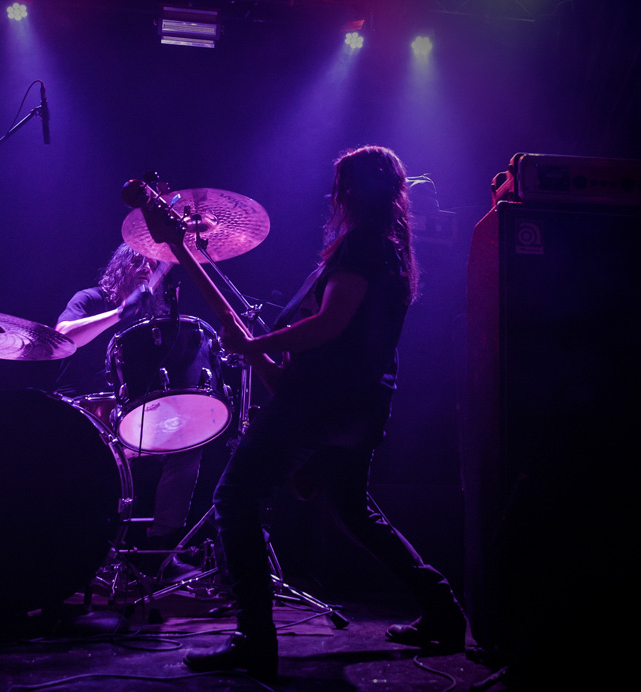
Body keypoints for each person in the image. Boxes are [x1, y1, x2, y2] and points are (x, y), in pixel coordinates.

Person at [178, 146, 466, 679]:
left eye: (339, 185)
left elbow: (330, 325)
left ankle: (254, 639)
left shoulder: (360, 247)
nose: (333, 195)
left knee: (234, 496)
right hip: (364, 402)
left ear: (350, 191)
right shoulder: (393, 251)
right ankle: (444, 609)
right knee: (354, 509)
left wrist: (255, 343)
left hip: (322, 401)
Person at [55, 243, 203, 578]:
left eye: (152, 264)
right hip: (85, 414)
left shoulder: (156, 320)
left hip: (135, 416)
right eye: (137, 260)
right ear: (120, 265)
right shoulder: (92, 299)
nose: (146, 268)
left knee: (188, 444)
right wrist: (120, 312)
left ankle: (160, 555)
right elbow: (62, 335)